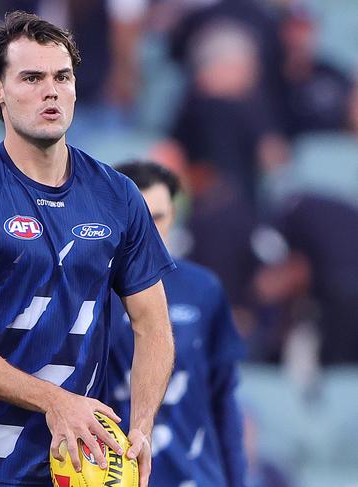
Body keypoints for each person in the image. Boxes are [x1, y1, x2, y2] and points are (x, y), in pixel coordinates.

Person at [0, 11, 176, 487]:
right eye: (31, 77)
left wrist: (141, 425)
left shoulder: (118, 195)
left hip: (76, 469)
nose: (51, 90)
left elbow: (153, 323)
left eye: (62, 77)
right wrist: (54, 400)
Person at [107, 161, 247, 486]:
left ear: (173, 216)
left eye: (157, 217)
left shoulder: (203, 289)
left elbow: (223, 396)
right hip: (114, 473)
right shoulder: (84, 288)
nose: (148, 230)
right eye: (137, 216)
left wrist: (236, 480)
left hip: (195, 473)